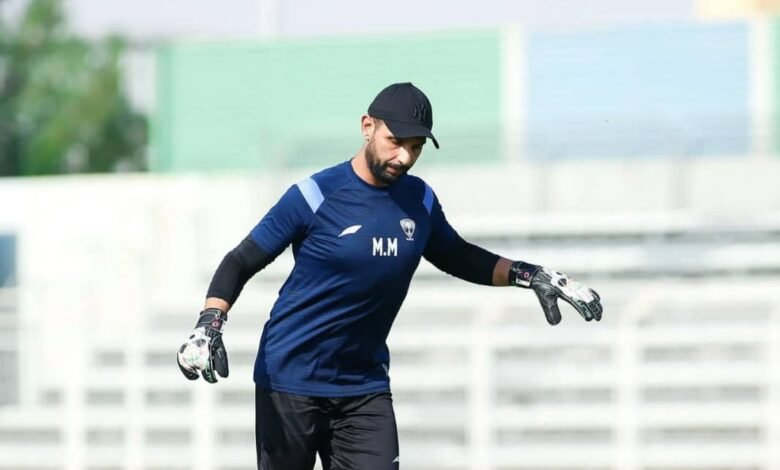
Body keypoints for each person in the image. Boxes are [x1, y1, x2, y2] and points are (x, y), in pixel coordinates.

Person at [176, 82, 603, 469]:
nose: (404, 157)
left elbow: (458, 256)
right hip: (290, 381)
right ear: (367, 127)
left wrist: (530, 274)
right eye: (395, 142)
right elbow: (240, 261)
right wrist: (209, 323)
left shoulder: (420, 199)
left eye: (416, 147)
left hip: (364, 387)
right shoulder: (313, 194)